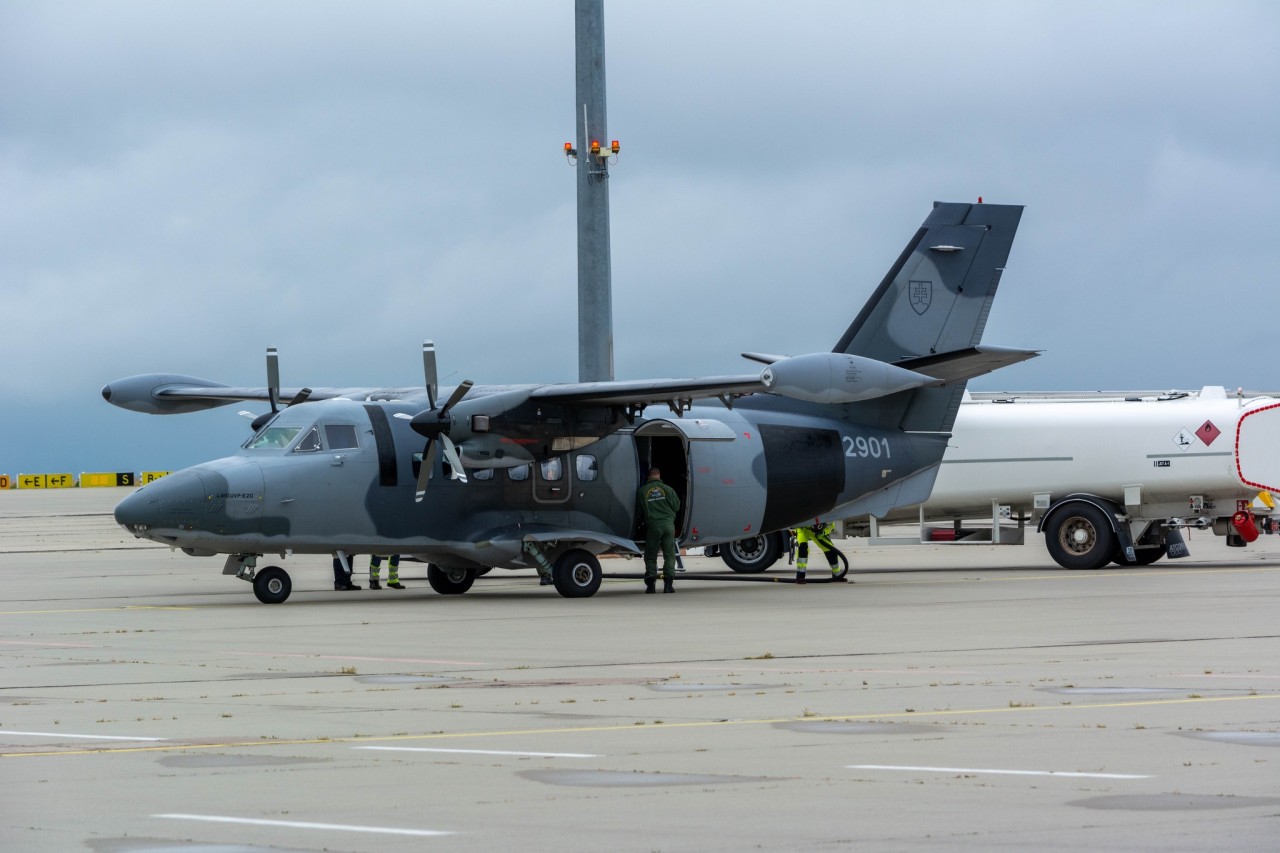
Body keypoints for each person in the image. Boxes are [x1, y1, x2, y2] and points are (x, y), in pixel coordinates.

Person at [638, 467, 680, 593]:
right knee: (669, 555)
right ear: (659, 475)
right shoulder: (668, 489)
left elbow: (640, 512)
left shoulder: (642, 491)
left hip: (653, 526)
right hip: (668, 526)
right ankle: (668, 586)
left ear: (649, 476)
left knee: (651, 555)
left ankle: (651, 586)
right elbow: (677, 506)